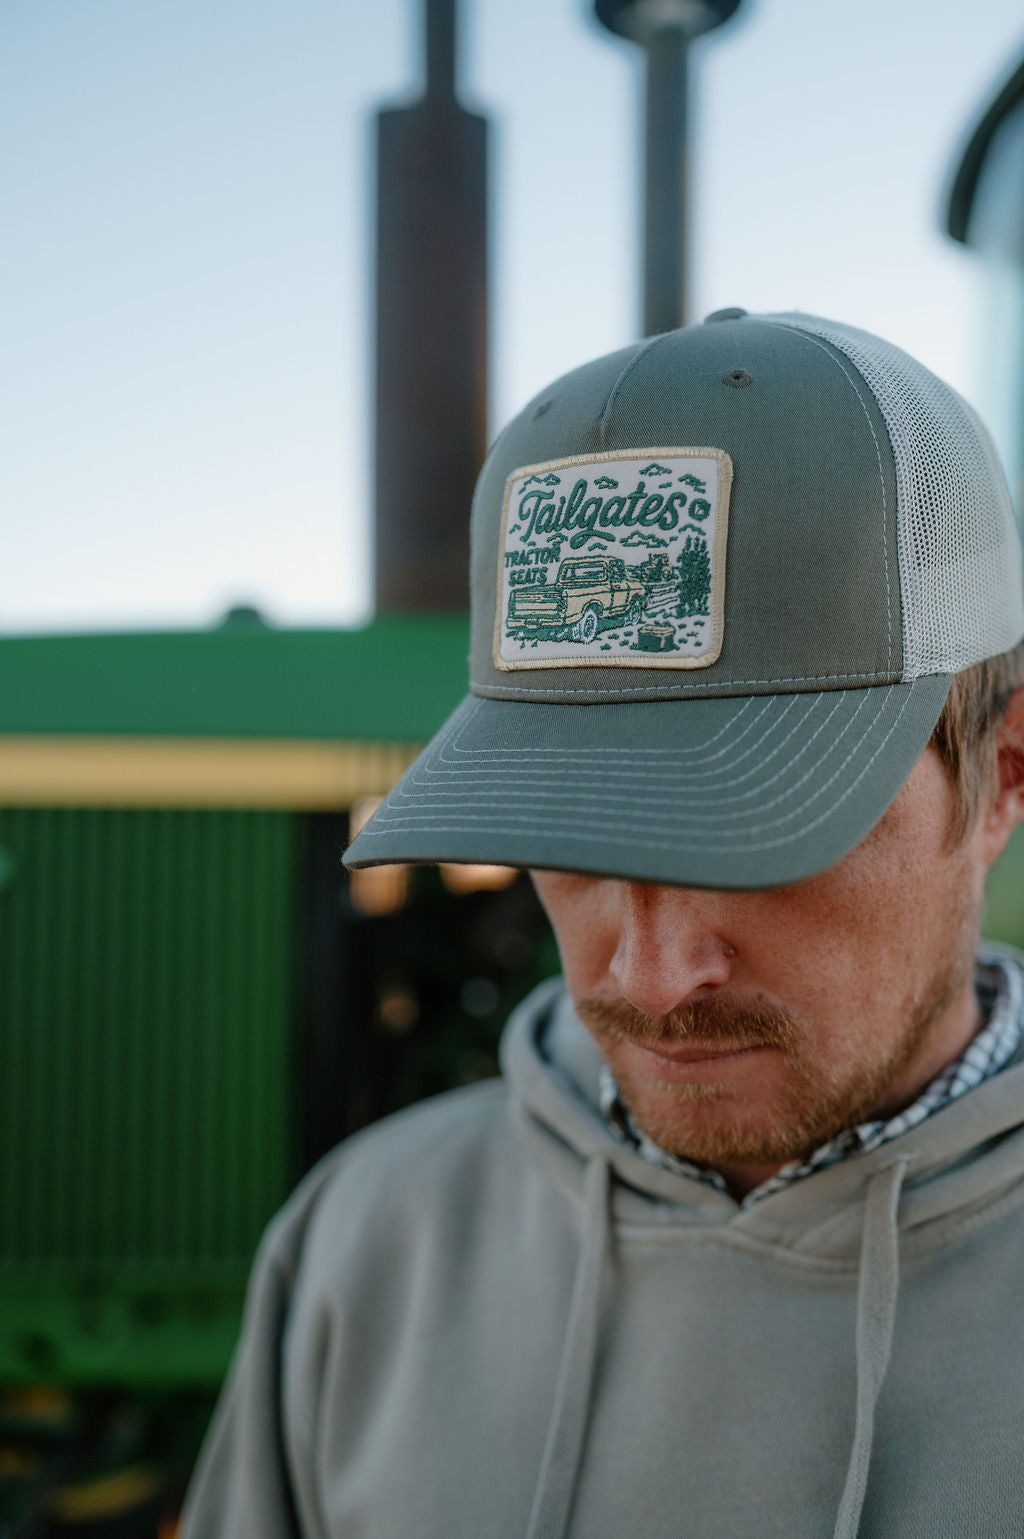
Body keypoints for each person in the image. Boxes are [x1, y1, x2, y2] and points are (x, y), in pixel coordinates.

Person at [182, 311, 1024, 1538]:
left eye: (765, 831)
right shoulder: (364, 1247)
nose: (651, 973)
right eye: (573, 833)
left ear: (1003, 773)